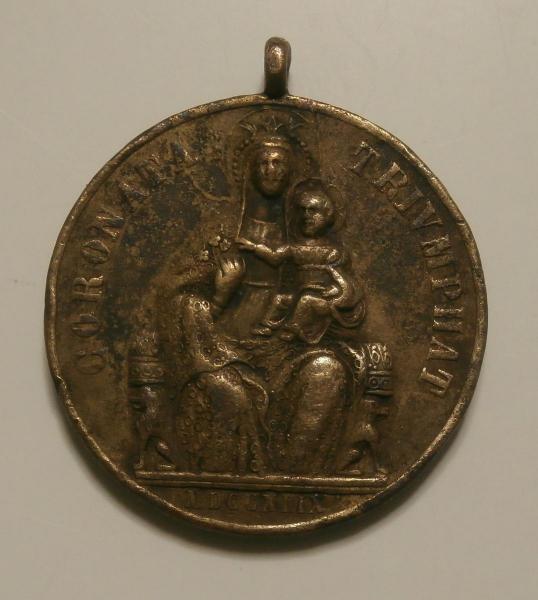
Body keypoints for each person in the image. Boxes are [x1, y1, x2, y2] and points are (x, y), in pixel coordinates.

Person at [237, 179, 363, 344]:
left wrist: (335, 289)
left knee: (306, 300)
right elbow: (275, 257)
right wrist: (254, 247)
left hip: (326, 299)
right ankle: (267, 328)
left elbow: (343, 279)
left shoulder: (334, 252)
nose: (306, 216)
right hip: (299, 293)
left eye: (313, 210)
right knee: (282, 299)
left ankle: (292, 331)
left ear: (328, 215)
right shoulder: (294, 248)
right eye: (303, 210)